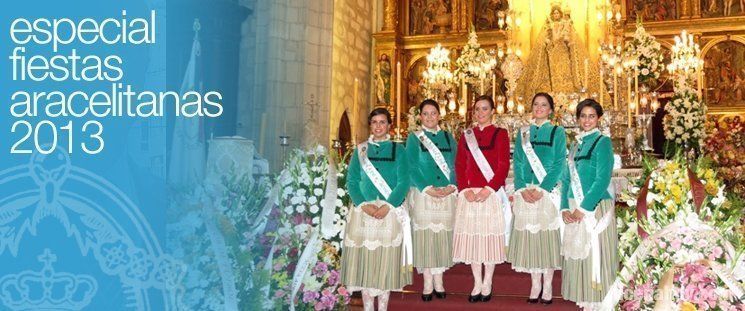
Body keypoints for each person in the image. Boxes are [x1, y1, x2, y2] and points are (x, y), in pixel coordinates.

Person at [340, 108, 412, 311]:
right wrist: (365, 205)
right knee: (367, 264)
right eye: (374, 122)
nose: (378, 126)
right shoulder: (360, 150)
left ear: (389, 125)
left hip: (389, 213)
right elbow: (352, 181)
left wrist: (388, 206)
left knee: (384, 264)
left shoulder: (400, 150)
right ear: (370, 125)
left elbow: (404, 181)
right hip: (363, 213)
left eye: (382, 122)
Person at [560, 99, 618, 310]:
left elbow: (602, 179)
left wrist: (583, 209)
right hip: (574, 205)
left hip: (594, 207)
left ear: (599, 118)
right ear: (577, 119)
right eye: (583, 116)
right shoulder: (575, 145)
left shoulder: (603, 142)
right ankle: (583, 295)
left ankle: (598, 300)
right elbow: (566, 179)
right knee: (579, 252)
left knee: (595, 252)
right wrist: (564, 208)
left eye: (591, 116)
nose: (587, 120)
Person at [508, 93, 566, 305]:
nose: (539, 108)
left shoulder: (557, 132)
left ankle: (548, 284)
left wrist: (543, 189)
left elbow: (560, 162)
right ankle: (535, 284)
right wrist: (522, 188)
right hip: (526, 191)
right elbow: (519, 161)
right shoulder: (523, 132)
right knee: (532, 240)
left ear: (551, 109)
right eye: (536, 104)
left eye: (544, 105)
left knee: (546, 239)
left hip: (546, 192)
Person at [453, 95, 511, 303]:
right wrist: (465, 189)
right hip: (469, 195)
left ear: (492, 111)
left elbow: (503, 165)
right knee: (474, 239)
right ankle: (477, 281)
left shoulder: (501, 134)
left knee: (488, 238)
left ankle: (488, 281)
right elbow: (460, 165)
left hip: (490, 194)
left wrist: (488, 189)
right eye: (477, 109)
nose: (480, 113)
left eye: (484, 109)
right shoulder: (466, 135)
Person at [405, 99, 458, 302]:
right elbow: (411, 165)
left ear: (439, 115)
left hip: (446, 194)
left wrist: (451, 185)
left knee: (442, 237)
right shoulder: (414, 138)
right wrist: (427, 188)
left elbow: (457, 162)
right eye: (425, 114)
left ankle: (439, 279)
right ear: (420, 116)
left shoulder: (448, 137)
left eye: (433, 113)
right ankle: (427, 281)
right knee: (426, 238)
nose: (429, 117)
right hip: (424, 194)